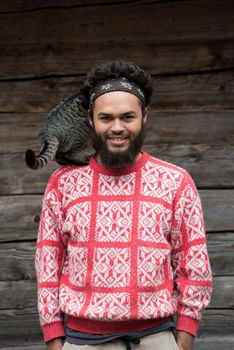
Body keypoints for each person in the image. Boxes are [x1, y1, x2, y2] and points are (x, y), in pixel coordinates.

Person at [35, 61, 212, 350]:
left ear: (145, 117)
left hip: (157, 339)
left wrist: (183, 340)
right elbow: (47, 266)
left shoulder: (175, 181)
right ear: (91, 120)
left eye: (127, 117)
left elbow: (194, 267)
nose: (117, 128)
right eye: (106, 118)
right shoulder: (62, 183)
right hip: (82, 342)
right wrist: (55, 341)